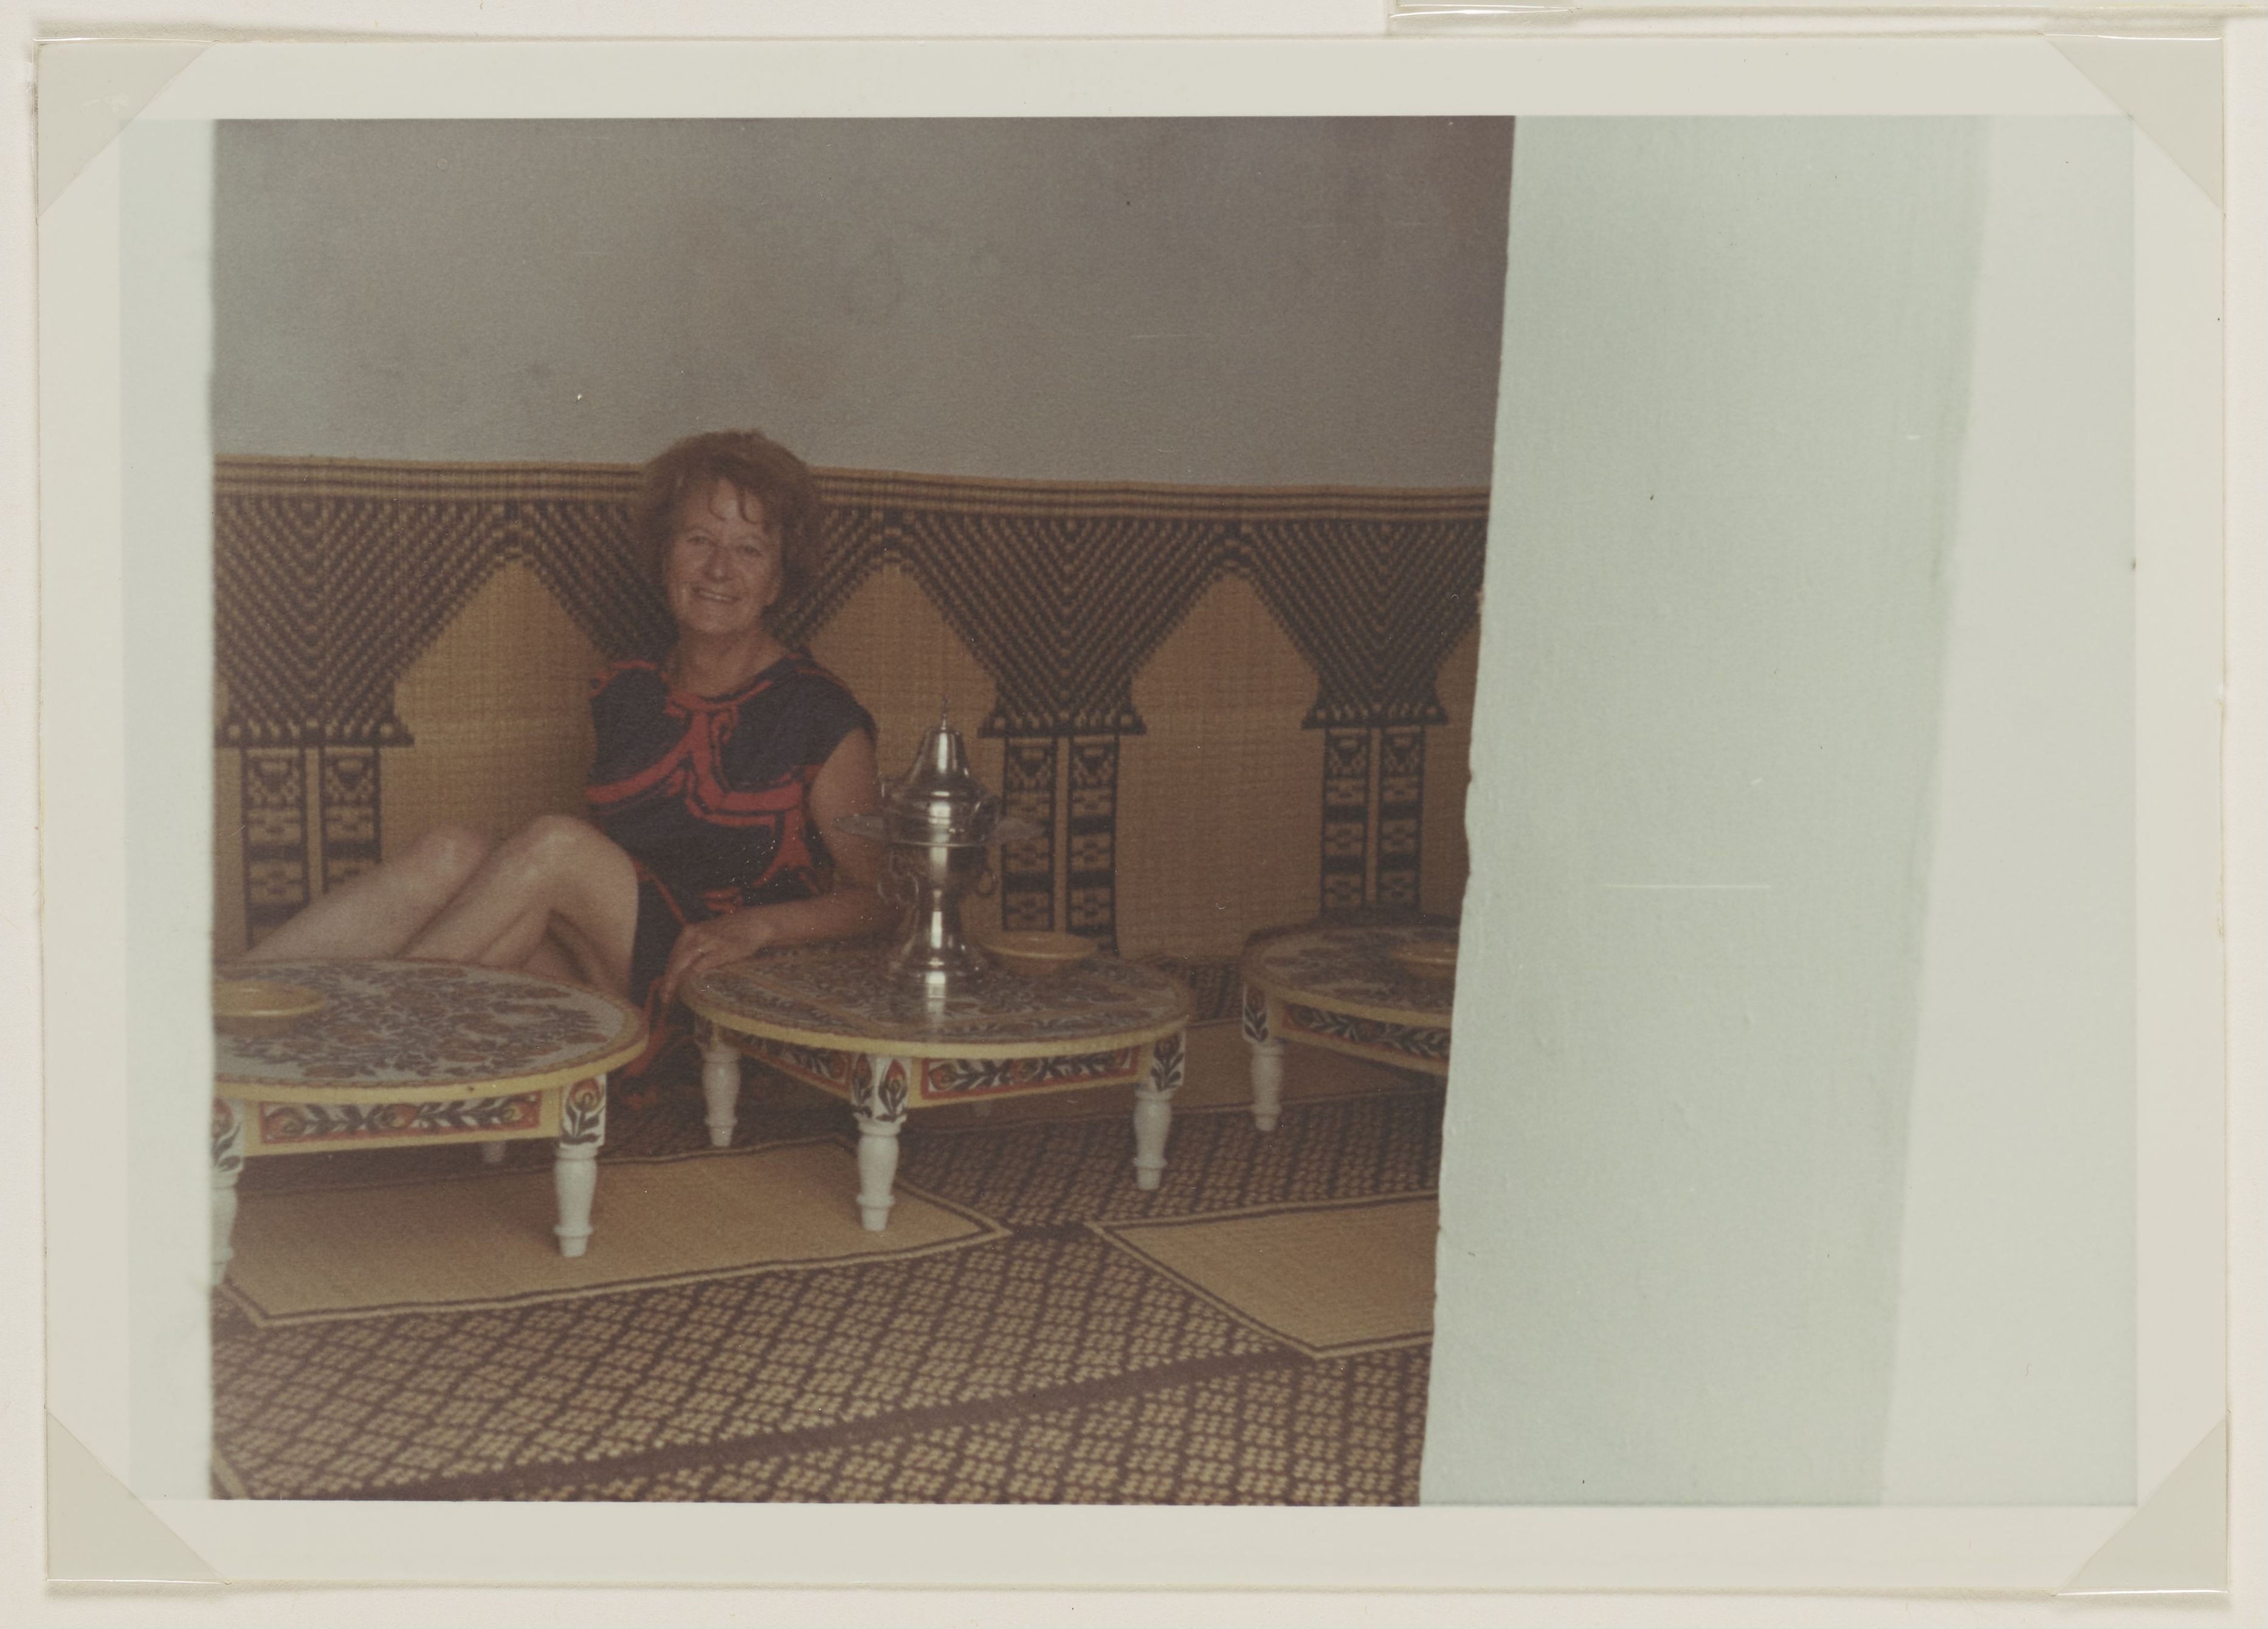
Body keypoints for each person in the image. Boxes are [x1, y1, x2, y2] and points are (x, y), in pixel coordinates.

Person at [238, 429, 891, 1090]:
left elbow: (887, 898)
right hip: (615, 979)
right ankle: (222, 1002)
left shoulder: (818, 711)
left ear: (778, 580)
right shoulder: (626, 692)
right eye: (699, 540)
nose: (718, 570)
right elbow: (604, 890)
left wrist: (760, 927)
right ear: (665, 552)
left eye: (748, 549)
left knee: (556, 845)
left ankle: (358, 1045)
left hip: (717, 1002)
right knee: (449, 852)